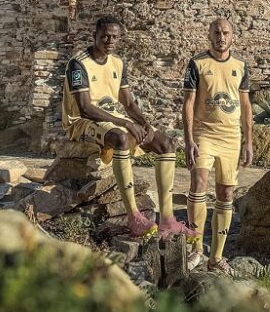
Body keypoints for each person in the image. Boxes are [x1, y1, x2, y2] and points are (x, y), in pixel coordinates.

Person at [62, 16, 193, 238]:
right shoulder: (78, 63)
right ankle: (134, 216)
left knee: (166, 143)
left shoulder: (118, 63)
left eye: (114, 36)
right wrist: (125, 123)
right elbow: (84, 108)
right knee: (121, 138)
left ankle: (167, 219)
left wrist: (144, 123)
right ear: (94, 36)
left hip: (111, 117)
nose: (109, 40)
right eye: (104, 36)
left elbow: (129, 103)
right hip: (81, 122)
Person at [182, 18, 253, 274]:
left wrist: (249, 141)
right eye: (216, 32)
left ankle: (217, 257)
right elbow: (188, 103)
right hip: (204, 134)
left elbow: (246, 106)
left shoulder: (241, 66)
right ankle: (196, 250)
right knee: (198, 185)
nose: (221, 37)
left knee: (226, 195)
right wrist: (188, 139)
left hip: (231, 139)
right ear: (209, 35)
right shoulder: (197, 64)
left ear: (232, 36)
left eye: (225, 32)